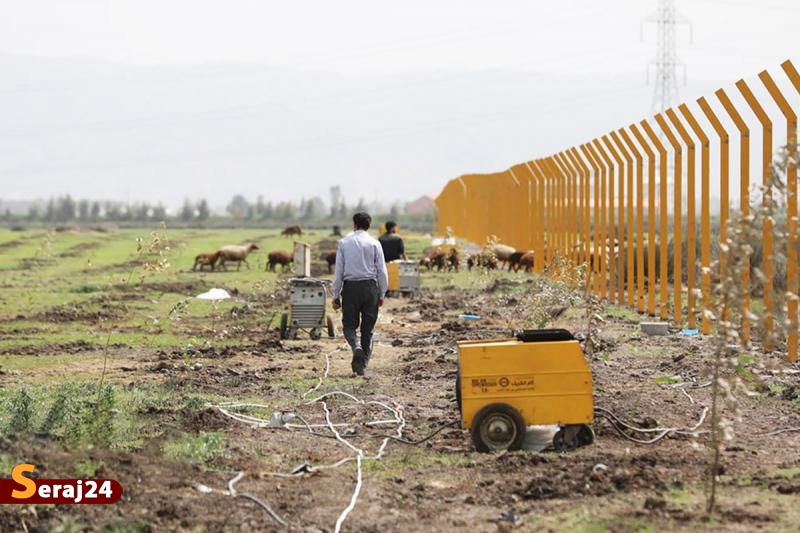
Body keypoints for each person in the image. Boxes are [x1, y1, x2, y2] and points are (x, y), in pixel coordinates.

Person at [332, 212, 389, 376]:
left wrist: (336, 296)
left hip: (350, 288)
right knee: (368, 329)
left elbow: (338, 272)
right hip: (370, 287)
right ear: (369, 225)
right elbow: (382, 272)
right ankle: (362, 364)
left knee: (349, 325)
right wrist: (382, 294)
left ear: (354, 224)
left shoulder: (344, 243)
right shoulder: (374, 243)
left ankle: (355, 345)